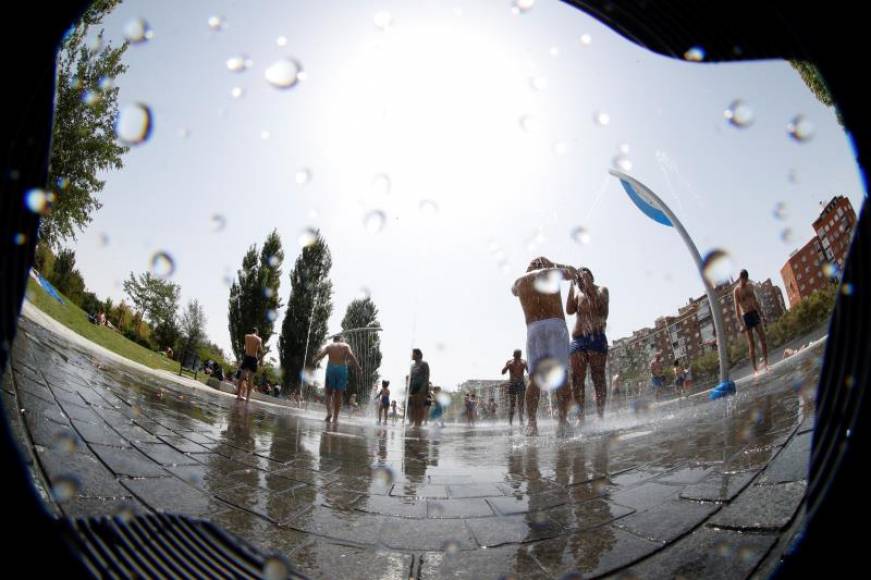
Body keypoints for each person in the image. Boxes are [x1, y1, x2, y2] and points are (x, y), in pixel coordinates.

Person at [512, 257, 577, 435]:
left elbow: (513, 292)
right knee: (561, 375)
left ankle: (532, 424)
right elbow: (572, 272)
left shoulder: (519, 282)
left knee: (534, 379)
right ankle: (562, 422)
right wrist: (554, 264)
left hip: (534, 329)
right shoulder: (551, 272)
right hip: (555, 325)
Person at [566, 266, 610, 420]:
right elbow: (569, 310)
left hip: (596, 337)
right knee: (576, 379)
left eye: (584, 276)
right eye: (579, 278)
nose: (581, 280)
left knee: (598, 377)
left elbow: (603, 311)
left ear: (591, 276)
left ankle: (600, 416)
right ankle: (581, 418)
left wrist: (589, 285)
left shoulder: (602, 290)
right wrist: (571, 284)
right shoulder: (578, 294)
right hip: (578, 340)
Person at [314, 334, 361, 423]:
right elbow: (351, 356)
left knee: (328, 392)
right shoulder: (346, 346)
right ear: (340, 339)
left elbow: (321, 355)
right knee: (338, 394)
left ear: (334, 340)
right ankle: (335, 418)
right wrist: (358, 367)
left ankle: (329, 413)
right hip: (342, 369)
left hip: (331, 368)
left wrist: (315, 360)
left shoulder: (330, 346)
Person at [734, 269, 769, 374]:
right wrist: (741, 324)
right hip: (746, 316)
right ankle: (755, 370)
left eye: (746, 279)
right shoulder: (736, 290)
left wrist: (762, 315)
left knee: (763, 338)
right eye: (743, 280)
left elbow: (755, 300)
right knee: (752, 344)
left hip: (754, 313)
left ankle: (766, 364)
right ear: (740, 279)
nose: (744, 282)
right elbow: (736, 308)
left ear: (747, 278)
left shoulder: (750, 286)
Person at [501, 349, 528, 427]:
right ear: (513, 355)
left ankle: (521, 421)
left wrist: (526, 366)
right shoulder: (509, 362)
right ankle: (510, 422)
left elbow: (529, 371)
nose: (517, 357)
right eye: (516, 355)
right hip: (512, 384)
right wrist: (507, 367)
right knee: (512, 405)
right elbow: (502, 372)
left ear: (520, 355)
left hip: (521, 384)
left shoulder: (524, 362)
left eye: (518, 355)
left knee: (521, 404)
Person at [237, 327, 262, 403]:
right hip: (253, 359)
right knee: (250, 380)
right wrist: (261, 361)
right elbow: (260, 350)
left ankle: (239, 395)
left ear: (251, 331)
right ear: (257, 332)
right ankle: (247, 398)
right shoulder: (259, 339)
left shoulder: (246, 336)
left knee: (241, 378)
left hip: (247, 357)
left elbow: (245, 347)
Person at [408, 349, 430, 427]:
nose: (411, 355)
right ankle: (414, 423)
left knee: (420, 406)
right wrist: (409, 391)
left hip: (422, 388)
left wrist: (423, 389)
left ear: (418, 355)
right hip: (414, 388)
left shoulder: (424, 364)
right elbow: (411, 378)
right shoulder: (412, 366)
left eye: (413, 354)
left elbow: (426, 377)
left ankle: (419, 424)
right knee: (414, 407)